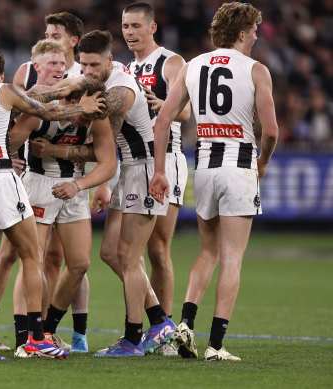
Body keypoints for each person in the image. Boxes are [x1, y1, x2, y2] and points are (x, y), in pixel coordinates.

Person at [0, 32, 104, 360]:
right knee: (32, 256)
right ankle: (34, 338)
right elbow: (43, 111)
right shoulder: (2, 90)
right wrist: (83, 104)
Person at [33, 30, 176, 357]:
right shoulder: (90, 77)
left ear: (110, 61)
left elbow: (100, 152)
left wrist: (55, 150)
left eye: (94, 65)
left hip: (145, 171)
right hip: (129, 171)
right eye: (83, 64)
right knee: (111, 254)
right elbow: (64, 89)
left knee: (129, 257)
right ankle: (160, 321)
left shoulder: (120, 93)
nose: (88, 71)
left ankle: (132, 339)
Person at [148, 2, 278, 361]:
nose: (255, 36)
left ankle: (185, 325)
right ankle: (215, 345)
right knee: (232, 258)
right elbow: (270, 132)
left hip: (203, 166)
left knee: (208, 252)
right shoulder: (255, 70)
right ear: (241, 33)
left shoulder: (192, 66)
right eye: (253, 31)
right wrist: (263, 162)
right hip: (238, 166)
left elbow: (163, 121)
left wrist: (160, 170)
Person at [98, 1, 191, 356]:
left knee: (156, 249)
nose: (130, 32)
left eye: (136, 26)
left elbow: (188, 112)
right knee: (114, 253)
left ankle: (159, 331)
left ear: (153, 28)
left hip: (163, 161)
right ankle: (158, 325)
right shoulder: (123, 68)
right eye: (125, 26)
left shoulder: (171, 62)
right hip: (131, 163)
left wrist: (164, 105)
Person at [10, 68, 116, 358]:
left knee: (80, 264)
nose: (88, 119)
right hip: (39, 185)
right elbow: (12, 138)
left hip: (73, 185)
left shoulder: (97, 112)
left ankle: (47, 330)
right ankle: (25, 337)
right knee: (34, 261)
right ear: (74, 99)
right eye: (86, 111)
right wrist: (12, 162)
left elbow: (109, 163)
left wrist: (78, 185)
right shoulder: (45, 109)